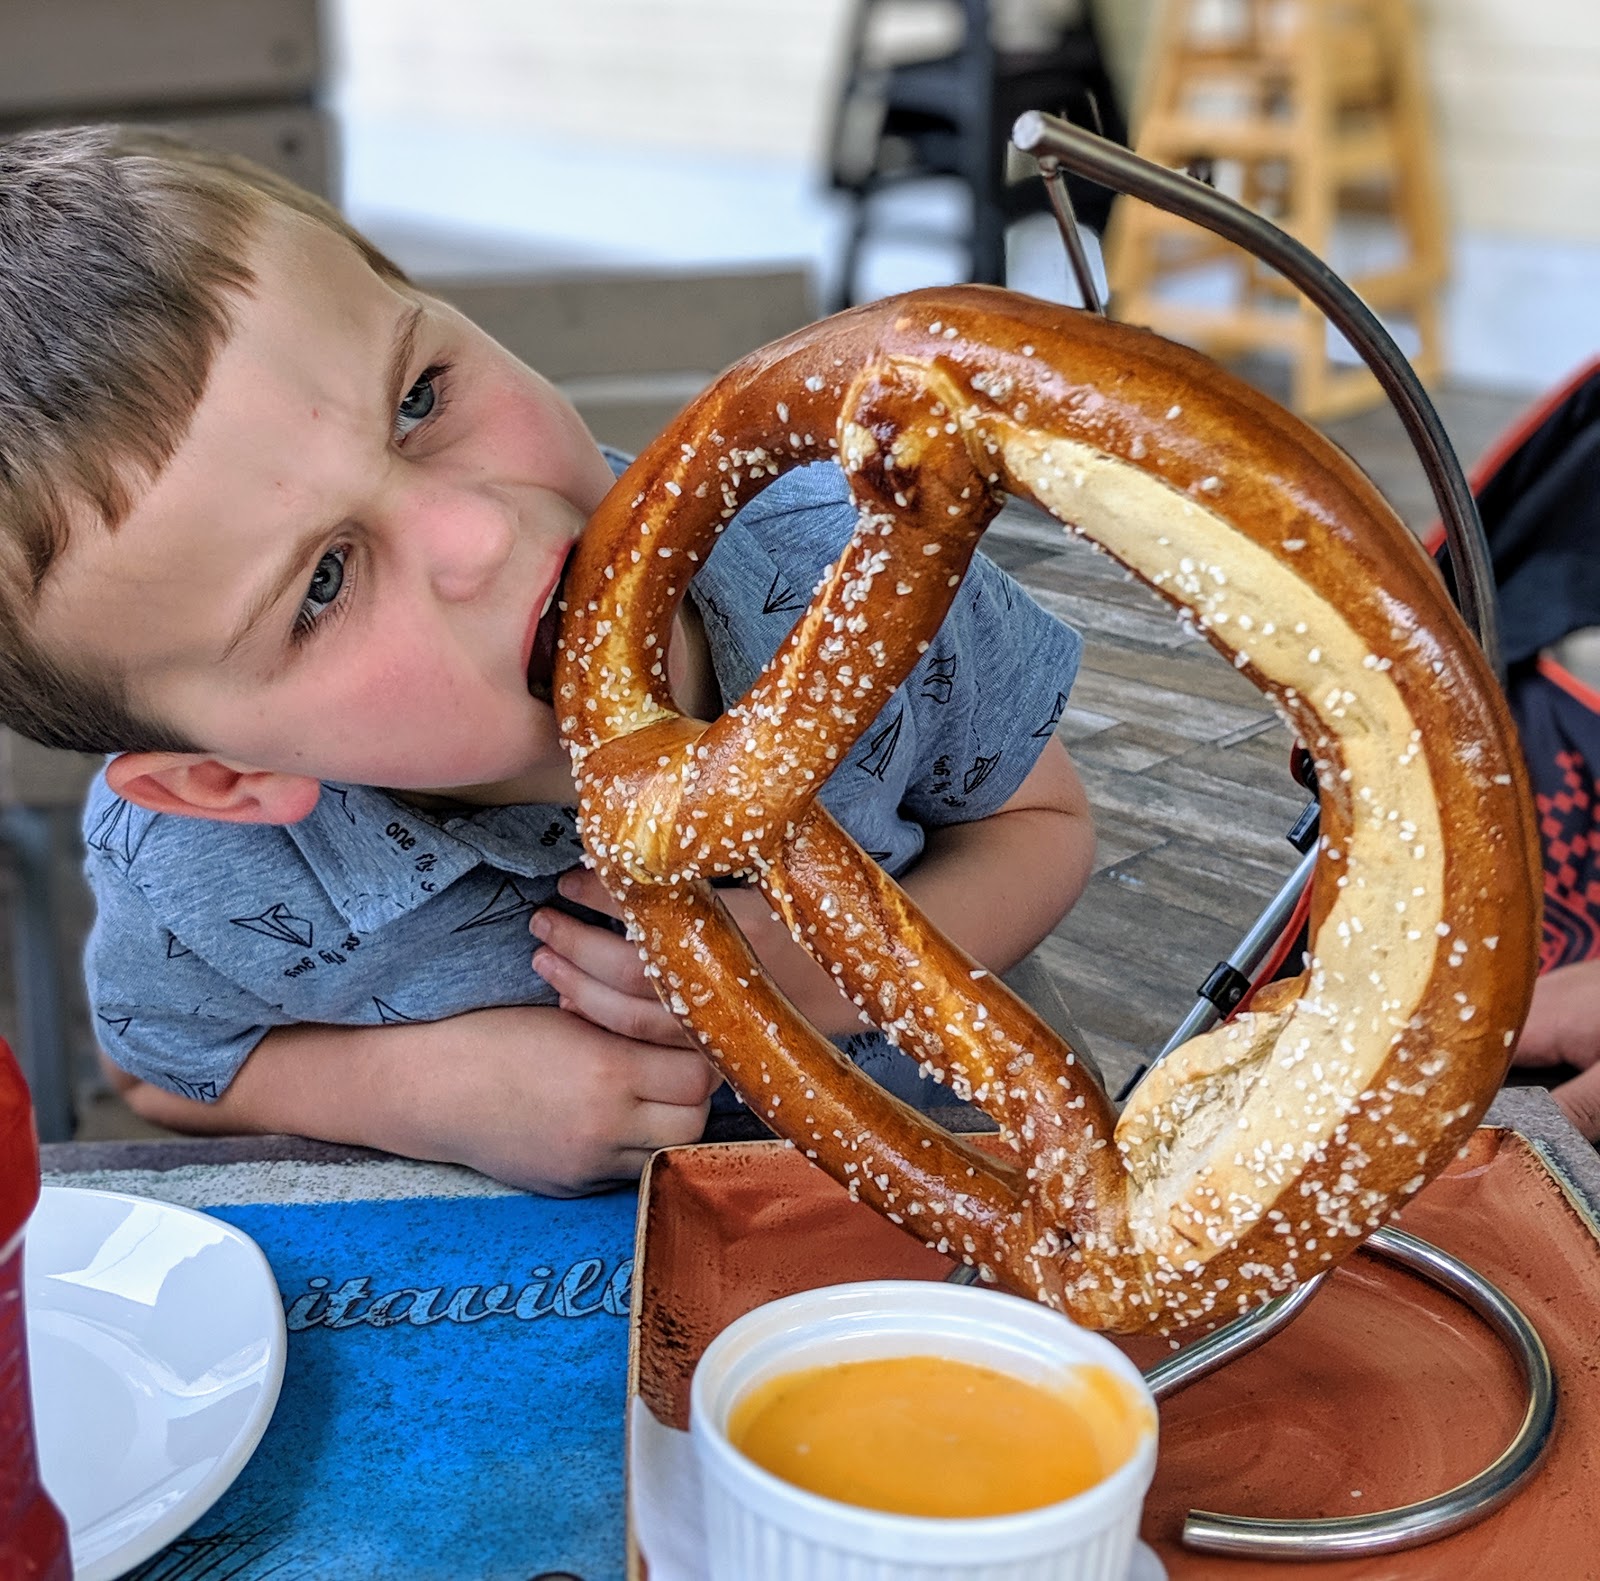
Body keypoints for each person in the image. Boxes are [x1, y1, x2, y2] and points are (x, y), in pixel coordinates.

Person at [1, 126, 1096, 1195]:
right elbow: (158, 1069)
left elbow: (1043, 828)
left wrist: (828, 975)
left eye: (417, 399)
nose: (479, 534)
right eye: (323, 584)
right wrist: (414, 1091)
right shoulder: (188, 867)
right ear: (224, 781)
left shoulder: (855, 558)